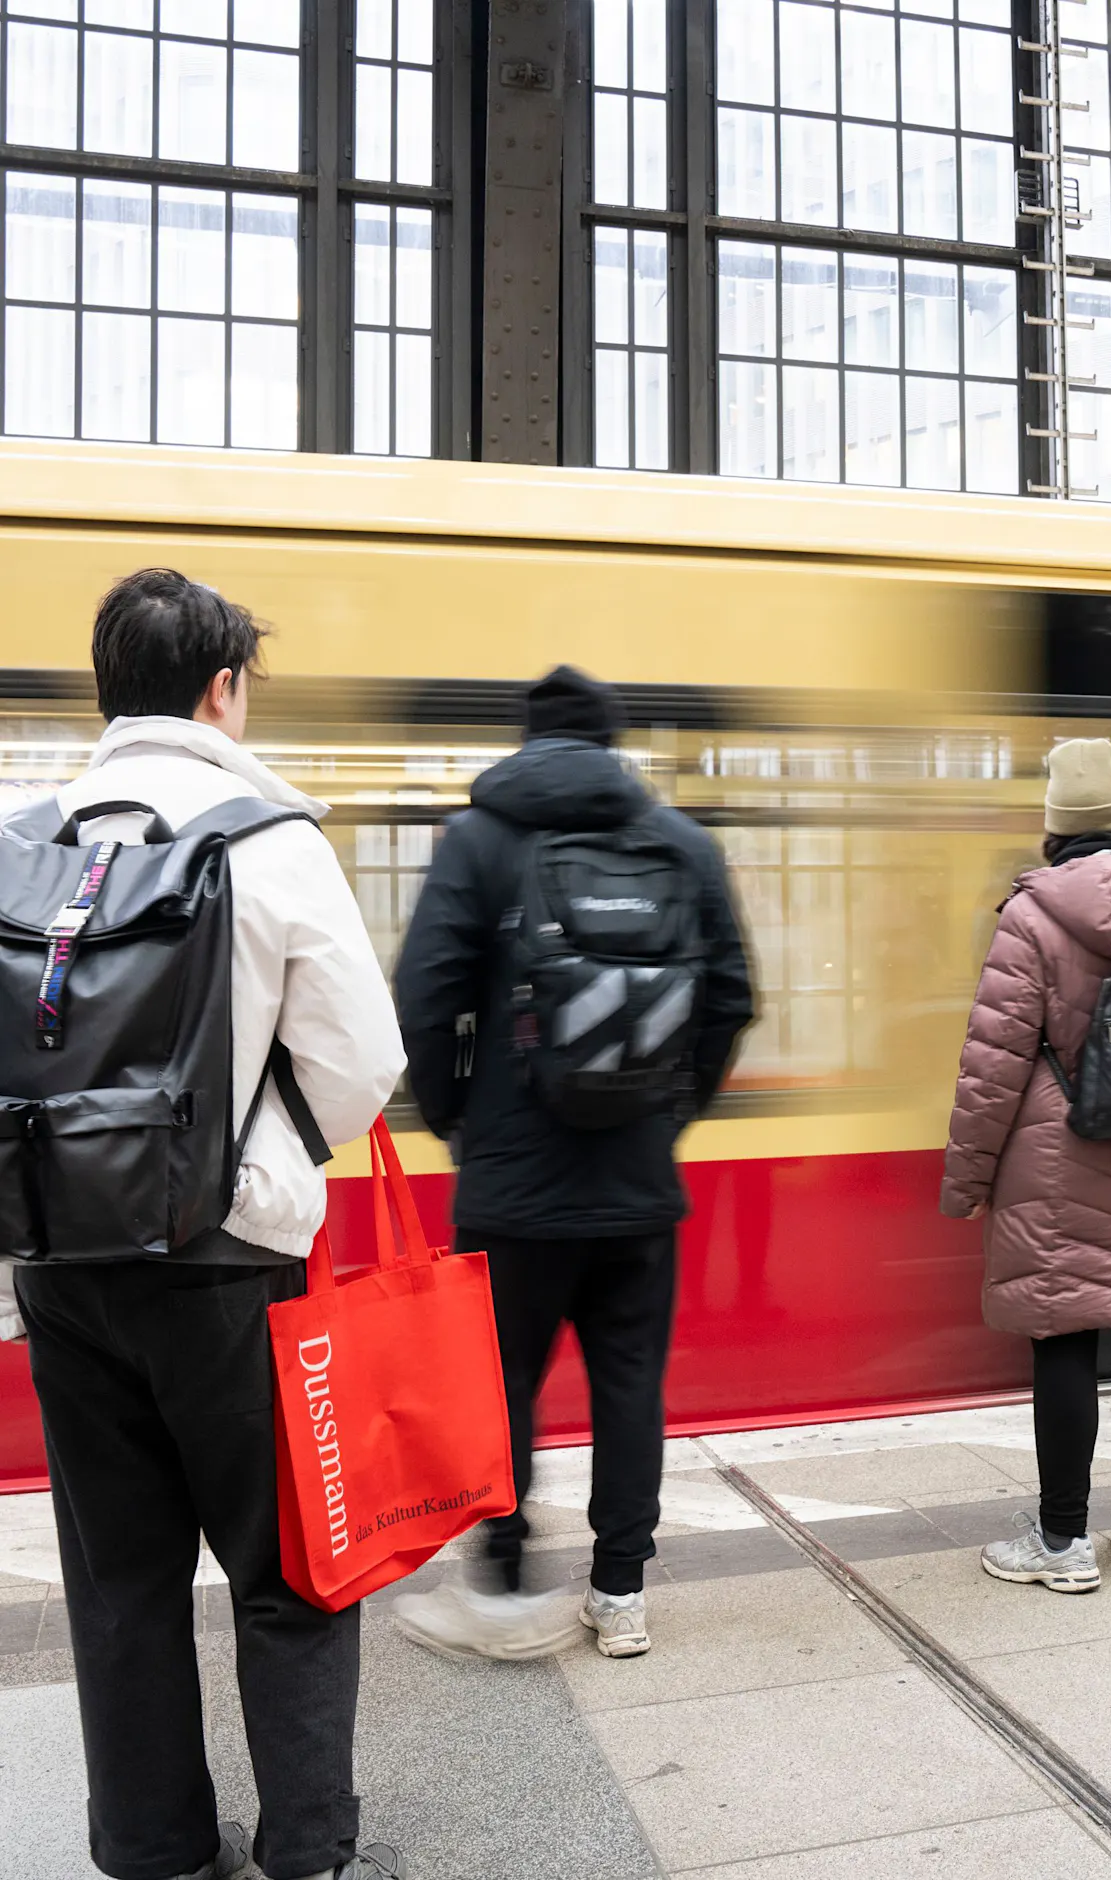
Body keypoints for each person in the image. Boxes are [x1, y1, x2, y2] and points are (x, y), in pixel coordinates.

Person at [1, 570, 406, 1880]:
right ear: (222, 688)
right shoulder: (269, 838)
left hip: (60, 1259)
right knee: (288, 1574)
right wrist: (262, 1152)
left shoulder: (22, 843)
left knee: (120, 1583)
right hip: (229, 1270)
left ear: (107, 686)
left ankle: (157, 1849)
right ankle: (307, 1852)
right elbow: (361, 1061)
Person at [390, 665, 753, 1659]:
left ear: (529, 740)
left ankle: (501, 1576)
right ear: (610, 741)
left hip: (512, 1186)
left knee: (500, 1381)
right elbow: (728, 1000)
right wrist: (668, 1114)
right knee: (628, 1380)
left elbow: (423, 997)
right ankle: (620, 1590)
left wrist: (459, 1119)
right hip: (637, 1182)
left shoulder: (480, 840)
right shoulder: (678, 842)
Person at [940, 738, 1111, 1592]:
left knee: (1063, 1336)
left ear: (1056, 825)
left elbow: (995, 1063)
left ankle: (1061, 1544)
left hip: (1057, 1153)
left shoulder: (1030, 914)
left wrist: (967, 1180)